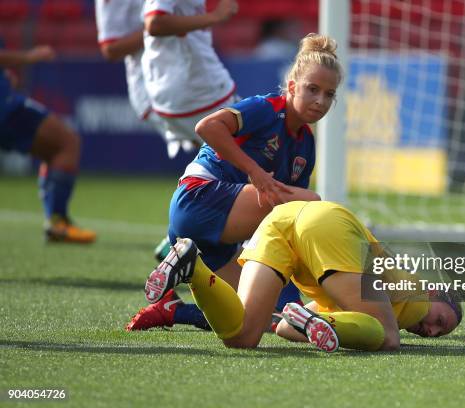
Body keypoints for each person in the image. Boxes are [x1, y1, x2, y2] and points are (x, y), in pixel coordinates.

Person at [126, 33, 344, 331]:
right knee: (311, 203)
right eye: (312, 89)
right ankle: (296, 300)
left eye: (329, 94)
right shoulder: (267, 109)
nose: (320, 101)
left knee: (257, 319)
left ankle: (172, 309)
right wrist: (254, 171)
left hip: (215, 240)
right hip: (197, 198)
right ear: (292, 86)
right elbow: (207, 126)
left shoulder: (305, 145)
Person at [143, 201, 463, 352]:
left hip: (280, 221)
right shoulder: (416, 294)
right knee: (389, 338)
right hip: (326, 222)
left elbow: (284, 325)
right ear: (433, 293)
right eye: (442, 320)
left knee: (241, 337)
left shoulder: (363, 301)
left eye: (437, 332)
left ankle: (193, 267)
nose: (431, 330)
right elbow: (387, 328)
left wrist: (309, 321)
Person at [0, 44, 96, 243]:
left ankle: (57, 223)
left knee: (55, 149)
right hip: (5, 107)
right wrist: (28, 56)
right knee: (66, 142)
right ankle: (58, 222)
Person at [141, 0, 239, 159]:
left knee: (222, 164)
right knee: (254, 157)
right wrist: (215, 16)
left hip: (182, 87)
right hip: (197, 88)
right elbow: (155, 23)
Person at [94, 0, 166, 149]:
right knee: (216, 136)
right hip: (152, 86)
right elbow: (111, 49)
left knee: (216, 140)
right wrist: (157, 27)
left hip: (186, 75)